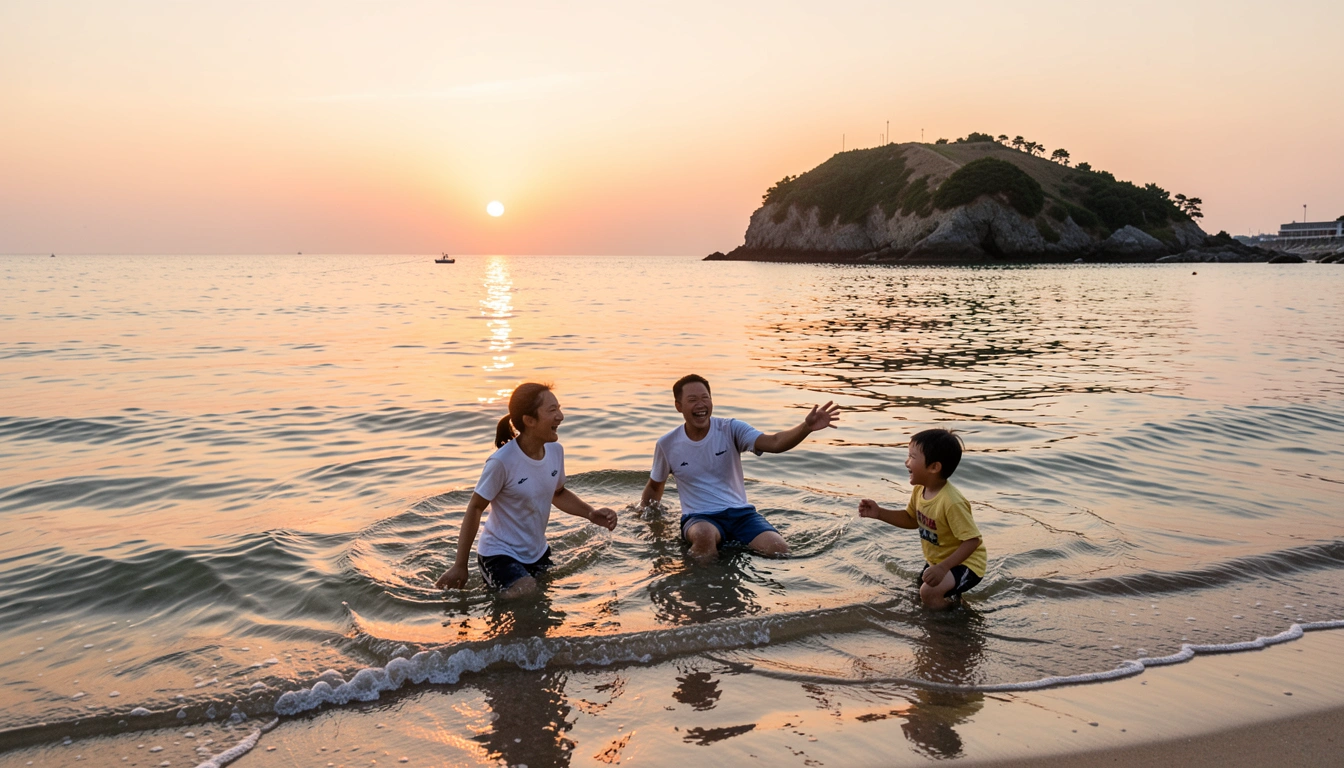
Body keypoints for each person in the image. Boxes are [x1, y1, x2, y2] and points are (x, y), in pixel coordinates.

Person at [436, 383, 617, 599]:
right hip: (498, 553)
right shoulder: (501, 462)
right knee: (525, 591)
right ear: (529, 421)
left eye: (559, 408)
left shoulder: (555, 451)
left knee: (541, 607)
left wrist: (589, 512)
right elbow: (475, 508)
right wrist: (460, 565)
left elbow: (557, 494)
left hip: (537, 552)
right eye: (552, 411)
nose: (560, 416)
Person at [639, 374, 839, 563]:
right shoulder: (668, 444)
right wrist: (647, 518)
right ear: (678, 406)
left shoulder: (731, 429)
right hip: (699, 518)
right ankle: (702, 589)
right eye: (692, 400)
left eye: (705, 398)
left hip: (742, 514)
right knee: (705, 538)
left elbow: (775, 442)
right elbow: (655, 486)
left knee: (779, 550)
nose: (700, 405)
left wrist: (806, 427)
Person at [858, 429, 986, 611]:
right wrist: (879, 513)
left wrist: (943, 568)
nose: (906, 462)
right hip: (939, 561)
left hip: (967, 564)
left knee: (928, 593)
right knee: (918, 593)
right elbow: (911, 519)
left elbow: (973, 541)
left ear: (934, 467)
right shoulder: (920, 490)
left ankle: (953, 625)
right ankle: (955, 608)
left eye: (912, 457)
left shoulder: (951, 502)